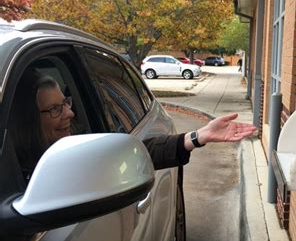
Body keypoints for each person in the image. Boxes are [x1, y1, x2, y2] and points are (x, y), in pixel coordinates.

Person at [10, 70, 257, 179]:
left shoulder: (77, 146)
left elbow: (133, 153)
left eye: (66, 103)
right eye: (55, 109)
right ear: (28, 121)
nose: (71, 114)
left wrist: (199, 136)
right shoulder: (18, 177)